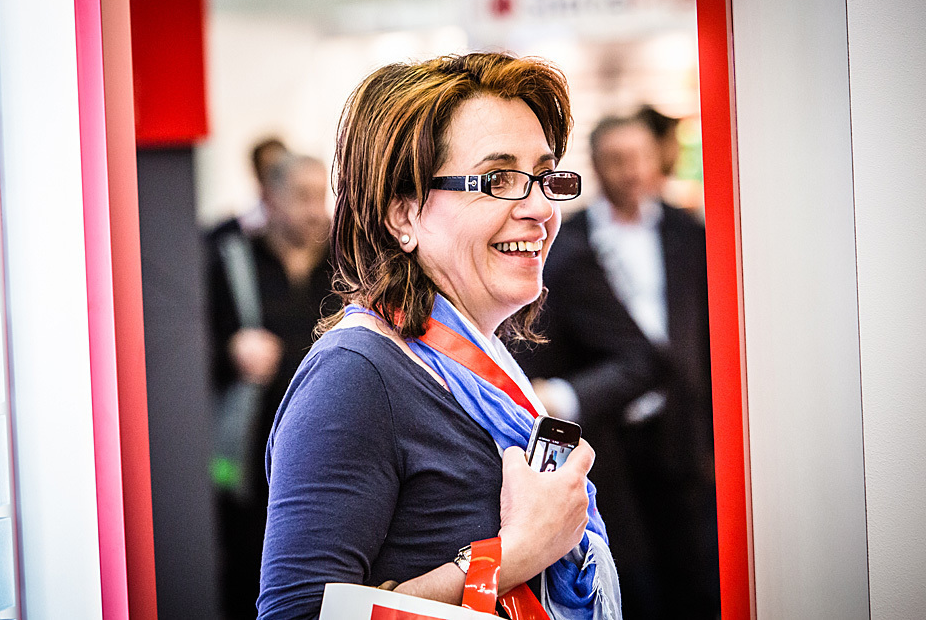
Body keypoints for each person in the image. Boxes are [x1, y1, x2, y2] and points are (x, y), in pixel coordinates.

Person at [259, 53, 622, 619]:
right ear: (403, 215)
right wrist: (514, 553)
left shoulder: (475, 360)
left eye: (544, 176)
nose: (539, 207)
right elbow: (299, 615)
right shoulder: (355, 375)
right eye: (499, 179)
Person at [521, 113, 718, 619]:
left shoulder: (689, 232)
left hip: (679, 425)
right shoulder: (568, 241)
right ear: (595, 165)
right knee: (629, 572)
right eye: (616, 160)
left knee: (693, 571)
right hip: (606, 429)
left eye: (639, 157)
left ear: (656, 159)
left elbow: (706, 327)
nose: (630, 171)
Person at [205, 152, 336, 620]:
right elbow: (185, 352)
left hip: (329, 453)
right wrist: (231, 350)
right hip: (251, 459)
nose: (315, 210)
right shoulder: (232, 259)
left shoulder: (344, 266)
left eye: (320, 196)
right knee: (250, 574)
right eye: (301, 197)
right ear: (269, 199)